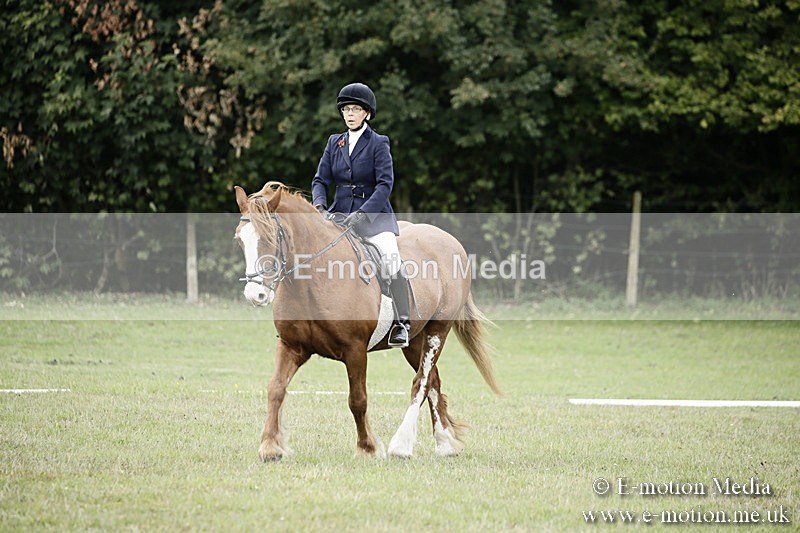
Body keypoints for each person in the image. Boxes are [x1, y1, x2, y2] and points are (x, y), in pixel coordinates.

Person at [311, 82, 410, 348]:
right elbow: (320, 180)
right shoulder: (335, 142)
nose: (350, 114)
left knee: (390, 259)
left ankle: (403, 323)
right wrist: (320, 207)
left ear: (367, 113)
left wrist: (363, 215)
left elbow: (385, 185)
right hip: (339, 215)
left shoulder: (379, 143)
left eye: (355, 109)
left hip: (375, 218)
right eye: (346, 109)